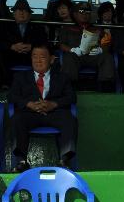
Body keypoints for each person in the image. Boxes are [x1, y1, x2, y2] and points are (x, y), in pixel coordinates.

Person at [8, 44, 77, 172]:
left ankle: (64, 160)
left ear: (51, 59)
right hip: (30, 113)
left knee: (69, 119)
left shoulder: (62, 77)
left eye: (42, 57)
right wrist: (29, 104)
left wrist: (53, 104)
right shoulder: (21, 77)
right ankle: (21, 161)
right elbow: (12, 96)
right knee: (16, 119)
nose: (38, 60)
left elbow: (71, 97)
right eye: (34, 56)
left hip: (54, 113)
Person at [59, 2, 116, 92]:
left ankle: (106, 90)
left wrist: (100, 49)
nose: (85, 14)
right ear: (75, 14)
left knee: (107, 57)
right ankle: (70, 90)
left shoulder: (97, 27)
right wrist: (72, 49)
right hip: (75, 55)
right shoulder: (67, 28)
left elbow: (107, 42)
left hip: (93, 56)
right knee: (68, 58)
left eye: (88, 12)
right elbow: (61, 44)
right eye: (81, 11)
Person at [0, 0, 49, 78]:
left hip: (31, 55)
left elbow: (44, 42)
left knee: (42, 54)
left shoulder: (37, 27)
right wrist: (12, 46)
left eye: (25, 10)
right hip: (12, 54)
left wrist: (32, 47)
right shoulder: (6, 26)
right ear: (14, 14)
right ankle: (5, 82)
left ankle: (39, 81)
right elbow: (0, 41)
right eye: (19, 10)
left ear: (30, 15)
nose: (22, 13)